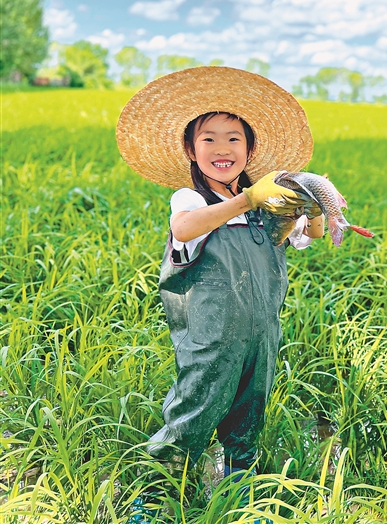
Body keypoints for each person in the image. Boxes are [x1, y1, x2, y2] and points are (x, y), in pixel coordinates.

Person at [116, 66, 322, 520]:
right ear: (191, 149)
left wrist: (316, 204)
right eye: (209, 138)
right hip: (210, 335)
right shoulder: (192, 201)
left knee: (250, 408)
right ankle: (156, 494)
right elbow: (184, 228)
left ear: (250, 151)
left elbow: (307, 233)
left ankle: (238, 486)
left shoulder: (267, 207)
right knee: (196, 406)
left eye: (234, 139)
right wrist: (248, 199)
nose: (222, 148)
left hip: (260, 330)